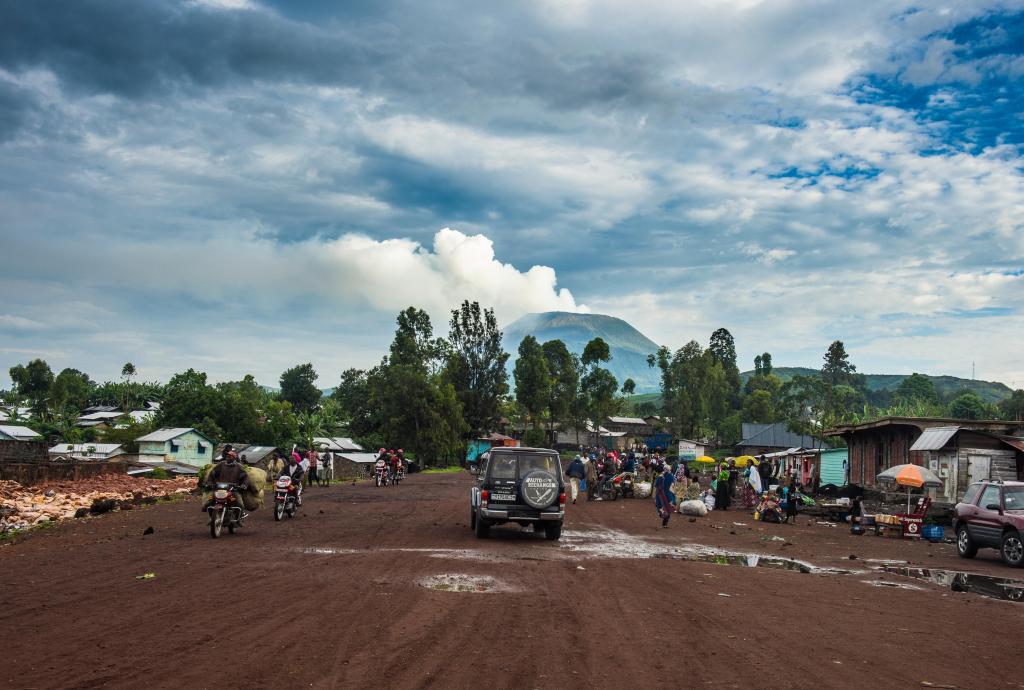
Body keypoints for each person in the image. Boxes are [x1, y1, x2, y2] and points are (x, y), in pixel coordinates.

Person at [204, 446, 250, 515]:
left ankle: (239, 519)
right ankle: (212, 518)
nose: (228, 457)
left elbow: (245, 477)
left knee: (240, 504)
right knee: (209, 501)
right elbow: (212, 473)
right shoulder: (221, 464)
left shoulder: (239, 466)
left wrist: (244, 485)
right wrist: (210, 482)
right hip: (220, 489)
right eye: (227, 455)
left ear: (234, 458)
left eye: (230, 456)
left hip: (233, 490)